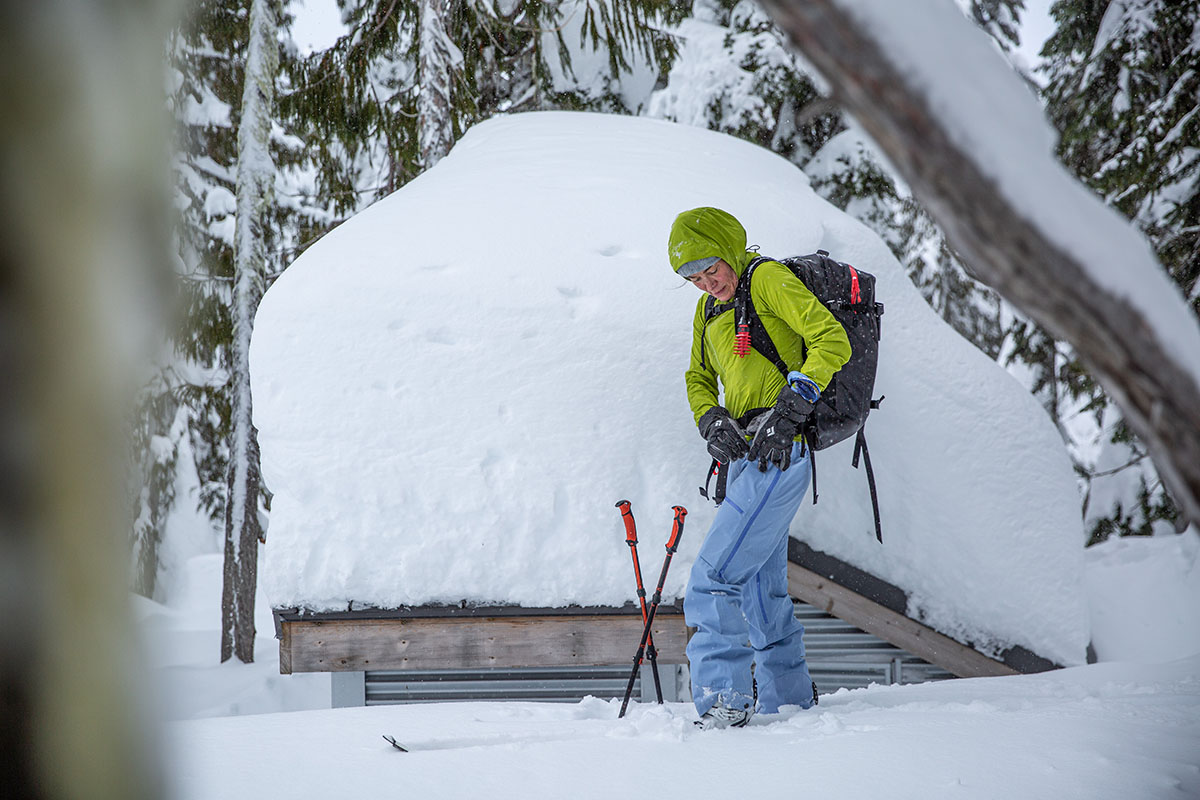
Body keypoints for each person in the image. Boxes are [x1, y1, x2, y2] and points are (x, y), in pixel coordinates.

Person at [668, 206, 851, 729]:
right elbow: (697, 377)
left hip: (779, 450)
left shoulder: (767, 279)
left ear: (728, 250)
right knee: (759, 592)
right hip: (746, 456)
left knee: (712, 579)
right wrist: (710, 420)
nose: (708, 284)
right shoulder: (708, 312)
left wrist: (795, 404)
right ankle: (789, 703)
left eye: (712, 270)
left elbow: (831, 339)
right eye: (695, 278)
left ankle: (724, 702)